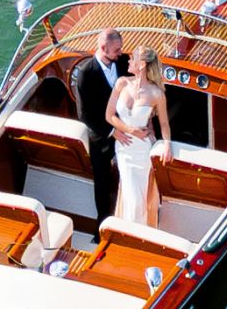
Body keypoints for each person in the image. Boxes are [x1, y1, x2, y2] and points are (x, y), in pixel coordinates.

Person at [108, 47, 171, 227]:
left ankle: (136, 234)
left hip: (142, 152)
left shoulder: (157, 94)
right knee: (132, 197)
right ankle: (129, 233)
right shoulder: (121, 83)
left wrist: (167, 145)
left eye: (132, 58)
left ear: (142, 64)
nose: (128, 61)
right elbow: (109, 115)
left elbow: (164, 123)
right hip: (124, 149)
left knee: (138, 199)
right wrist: (130, 130)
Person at [73, 30, 127, 227]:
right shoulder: (85, 73)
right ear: (103, 48)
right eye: (117, 49)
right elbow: (84, 114)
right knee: (102, 181)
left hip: (126, 129)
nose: (120, 53)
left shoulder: (123, 62)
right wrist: (112, 131)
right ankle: (102, 224)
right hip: (101, 136)